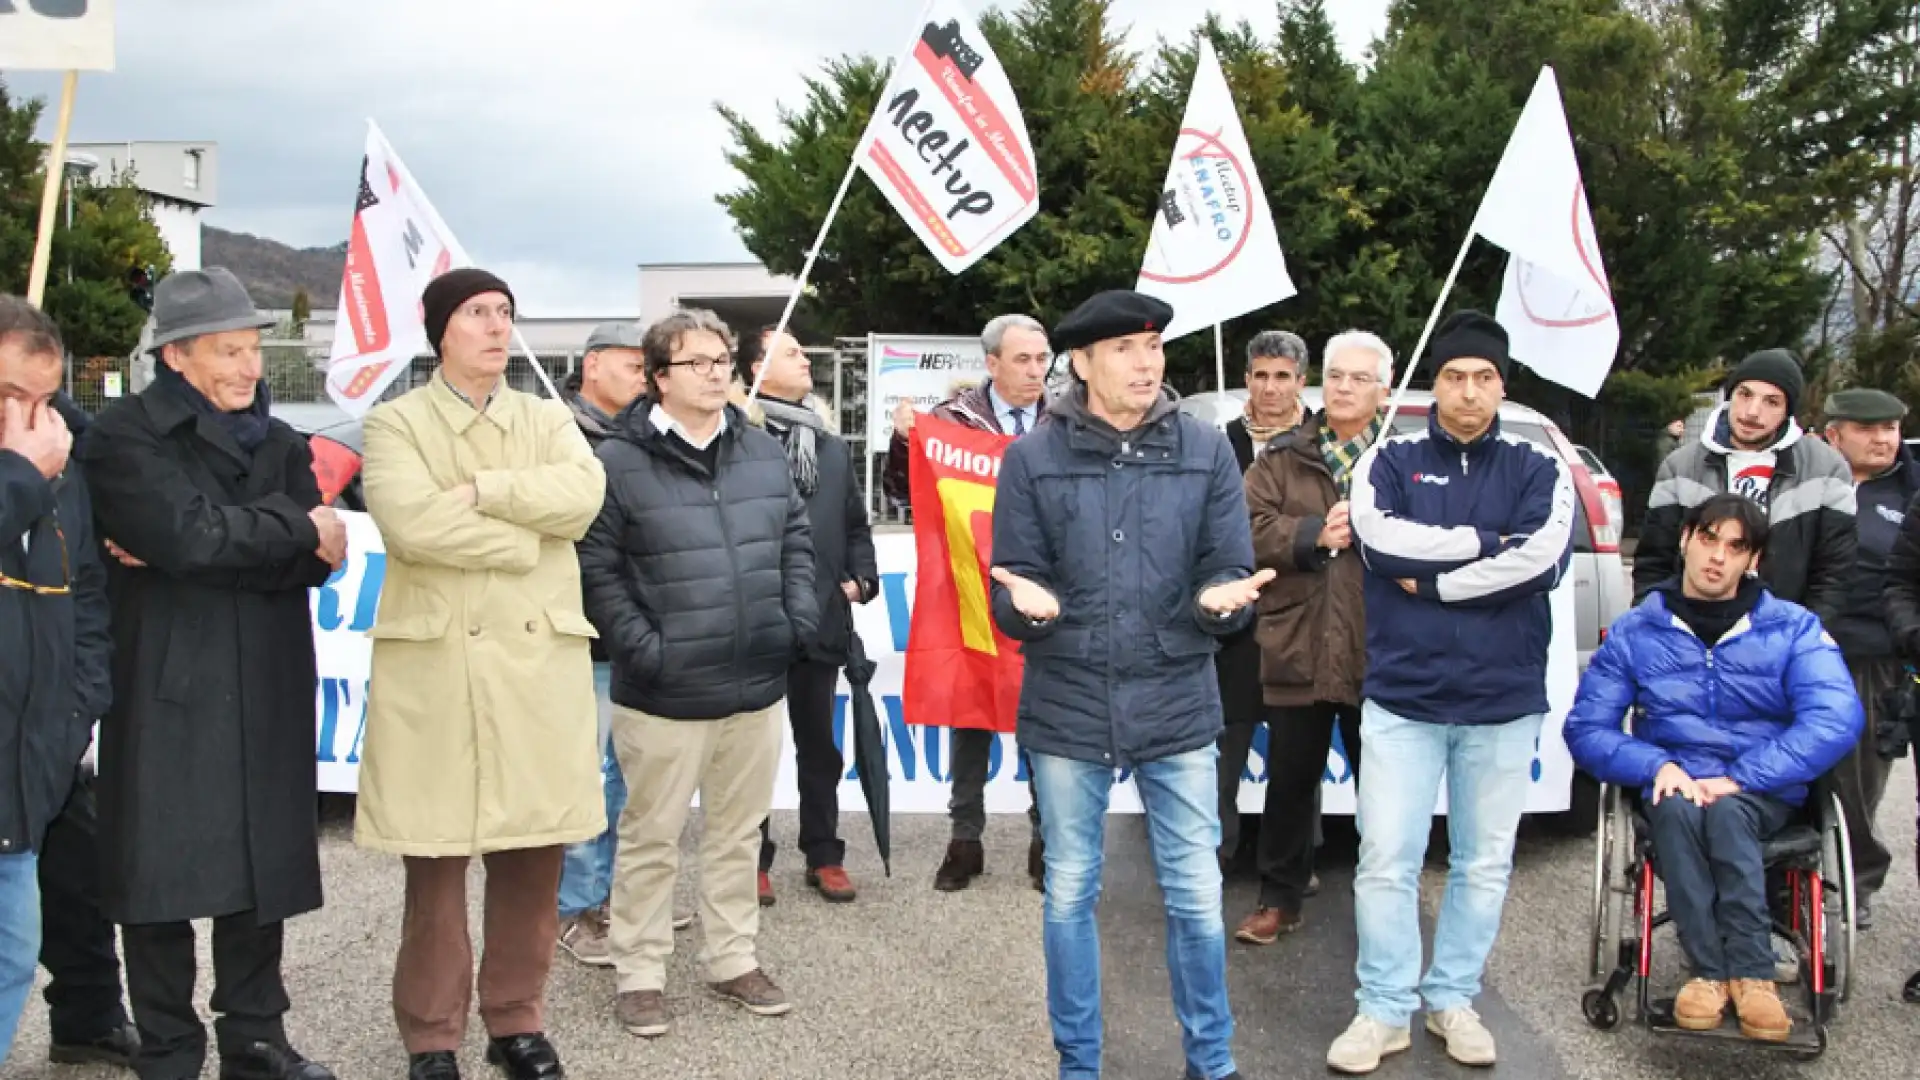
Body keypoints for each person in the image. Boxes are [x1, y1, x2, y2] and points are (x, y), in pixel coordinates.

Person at [991, 289, 1271, 1080]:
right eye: (1125, 349)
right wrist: (1026, 607)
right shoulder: (1032, 457)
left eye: (1153, 346)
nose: (1147, 362)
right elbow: (1011, 584)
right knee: (1069, 891)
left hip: (1177, 700)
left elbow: (1228, 564)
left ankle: (1211, 1064)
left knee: (1194, 892)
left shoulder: (1207, 447)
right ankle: (1078, 1065)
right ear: (1080, 363)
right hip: (1068, 701)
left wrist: (1223, 604)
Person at [80, 269, 341, 1080]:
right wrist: (294, 528)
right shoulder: (124, 435)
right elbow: (195, 539)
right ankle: (166, 1044)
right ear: (178, 356)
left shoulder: (282, 443)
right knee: (154, 873)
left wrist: (231, 543)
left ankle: (256, 1036)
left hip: (265, 676)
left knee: (260, 871)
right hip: (166, 681)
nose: (248, 367)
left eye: (254, 350)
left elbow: (304, 567)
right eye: (229, 351)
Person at [356, 269, 608, 1080]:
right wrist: (518, 540)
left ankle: (517, 1022)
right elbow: (408, 521)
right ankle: (431, 1037)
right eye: (477, 314)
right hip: (438, 671)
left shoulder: (546, 417)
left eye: (505, 313)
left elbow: (581, 497)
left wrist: (486, 491)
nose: (497, 328)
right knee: (434, 867)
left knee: (533, 860)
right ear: (441, 332)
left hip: (535, 668)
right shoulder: (395, 422)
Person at [1329, 311, 1575, 1074]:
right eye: (1454, 376)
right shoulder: (1389, 462)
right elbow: (1379, 541)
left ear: (1502, 386)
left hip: (1502, 700)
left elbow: (1542, 562)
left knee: (1481, 862)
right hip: (1404, 694)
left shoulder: (1540, 469)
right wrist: (1484, 547)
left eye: (1483, 378)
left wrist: (1435, 584)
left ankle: (1452, 999)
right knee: (1386, 858)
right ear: (1431, 385)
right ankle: (1382, 1008)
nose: (1468, 390)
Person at [579, 308, 818, 1040]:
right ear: (658, 379)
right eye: (697, 362)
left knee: (737, 832)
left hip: (754, 684)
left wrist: (793, 622)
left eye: (722, 360)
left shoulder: (760, 451)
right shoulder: (616, 463)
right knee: (650, 836)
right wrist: (645, 648)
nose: (718, 372)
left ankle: (730, 958)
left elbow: (796, 541)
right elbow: (596, 570)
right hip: (663, 691)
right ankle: (641, 972)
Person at [1565, 494, 1861, 1041]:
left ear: (1754, 560)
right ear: (1684, 540)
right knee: (1676, 809)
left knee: (1728, 814)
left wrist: (1745, 776)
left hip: (1761, 785)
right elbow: (1587, 728)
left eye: (1735, 546)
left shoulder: (1792, 628)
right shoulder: (1636, 630)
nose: (1717, 557)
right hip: (1674, 779)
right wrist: (1655, 764)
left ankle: (1749, 973)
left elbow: (1836, 718)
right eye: (1707, 538)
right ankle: (1711, 972)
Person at [885, 314, 1052, 892]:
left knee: (1046, 716)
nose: (1036, 370)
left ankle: (1046, 839)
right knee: (970, 712)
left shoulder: (1065, 422)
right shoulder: (952, 422)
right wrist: (904, 442)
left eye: (1041, 358)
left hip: (1045, 591)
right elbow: (901, 493)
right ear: (992, 364)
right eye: (1023, 360)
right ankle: (965, 840)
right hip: (970, 589)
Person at [1234, 331, 1391, 945]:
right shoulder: (1279, 457)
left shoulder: (1404, 460)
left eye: (1360, 378)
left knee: (1384, 787)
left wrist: (1378, 530)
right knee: (1291, 781)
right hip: (1297, 638)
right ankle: (1280, 897)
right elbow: (1246, 530)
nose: (1346, 387)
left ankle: (1383, 904)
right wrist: (1313, 536)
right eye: (1337, 375)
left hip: (1379, 649)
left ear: (1384, 388)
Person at [0, 298, 110, 1064]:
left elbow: (89, 599)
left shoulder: (56, 460)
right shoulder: (30, 467)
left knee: (13, 953)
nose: (33, 419)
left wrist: (77, 711)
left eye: (45, 401)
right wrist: (19, 478)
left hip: (27, 769)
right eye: (10, 399)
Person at [737, 327, 877, 905]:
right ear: (755, 368)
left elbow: (853, 524)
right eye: (789, 352)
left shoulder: (827, 444)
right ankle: (751, 860)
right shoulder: (737, 438)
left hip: (821, 619)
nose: (803, 360)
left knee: (819, 746)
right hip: (757, 620)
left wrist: (862, 581)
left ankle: (824, 853)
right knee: (752, 754)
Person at [553, 322, 664, 967]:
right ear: (592, 366)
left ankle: (622, 897)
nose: (643, 380)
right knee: (590, 777)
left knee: (632, 774)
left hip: (639, 631)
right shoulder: (559, 434)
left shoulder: (644, 436)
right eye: (631, 366)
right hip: (587, 630)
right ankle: (575, 906)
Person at [34, 390, 139, 1070]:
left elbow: (91, 587)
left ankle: (90, 1013)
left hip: (51, 708)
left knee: (74, 866)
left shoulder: (67, 438)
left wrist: (83, 699)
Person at [1635, 349, 1856, 623]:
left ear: (1788, 411)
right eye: (1745, 394)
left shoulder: (1826, 468)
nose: (1752, 411)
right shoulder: (1680, 466)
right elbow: (1653, 564)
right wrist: (1658, 631)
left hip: (1783, 635)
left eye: (1772, 402)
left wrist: (1801, 638)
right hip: (1692, 633)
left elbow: (1834, 573)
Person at [1818, 388, 1918, 932]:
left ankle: (1858, 881)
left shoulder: (1911, 489)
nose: (1884, 439)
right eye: (1869, 428)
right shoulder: (1811, 479)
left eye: (1891, 429)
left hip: (1875, 657)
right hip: (1805, 647)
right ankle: (1788, 879)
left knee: (1857, 783)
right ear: (1834, 433)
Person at [1215, 331, 1311, 874]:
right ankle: (1218, 851)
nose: (1270, 387)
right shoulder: (1220, 440)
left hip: (1300, 614)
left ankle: (1296, 860)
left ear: (1300, 380)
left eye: (1282, 376)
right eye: (1260, 375)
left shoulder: (1318, 443)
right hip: (1233, 624)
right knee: (1226, 743)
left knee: (1297, 751)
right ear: (1247, 377)